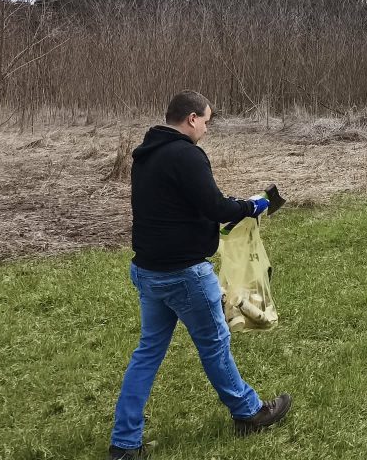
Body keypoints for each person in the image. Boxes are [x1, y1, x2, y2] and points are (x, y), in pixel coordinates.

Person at [107, 90, 291, 459]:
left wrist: (229, 209)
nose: (207, 128)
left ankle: (124, 444)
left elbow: (183, 206)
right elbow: (215, 207)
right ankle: (250, 412)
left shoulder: (146, 154)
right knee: (215, 345)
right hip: (184, 274)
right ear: (192, 118)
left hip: (148, 270)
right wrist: (253, 205)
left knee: (147, 353)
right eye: (206, 121)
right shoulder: (187, 155)